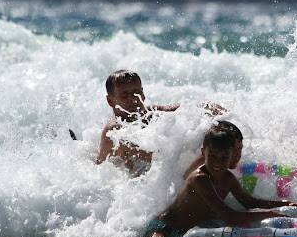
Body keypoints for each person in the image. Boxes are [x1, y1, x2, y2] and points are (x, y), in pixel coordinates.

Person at [143, 124, 297, 237]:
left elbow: (249, 202)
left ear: (233, 156)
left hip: (184, 234)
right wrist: (270, 213)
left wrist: (285, 203)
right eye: (212, 156)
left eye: (224, 157)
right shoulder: (199, 179)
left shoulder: (228, 179)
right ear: (204, 153)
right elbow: (230, 217)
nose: (217, 163)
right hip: (163, 230)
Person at [96, 70, 225, 176]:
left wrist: (210, 108)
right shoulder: (115, 131)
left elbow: (181, 107)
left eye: (136, 92)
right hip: (121, 191)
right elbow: (159, 158)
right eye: (125, 94)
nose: (133, 99)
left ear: (143, 93)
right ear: (110, 101)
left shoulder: (147, 113)